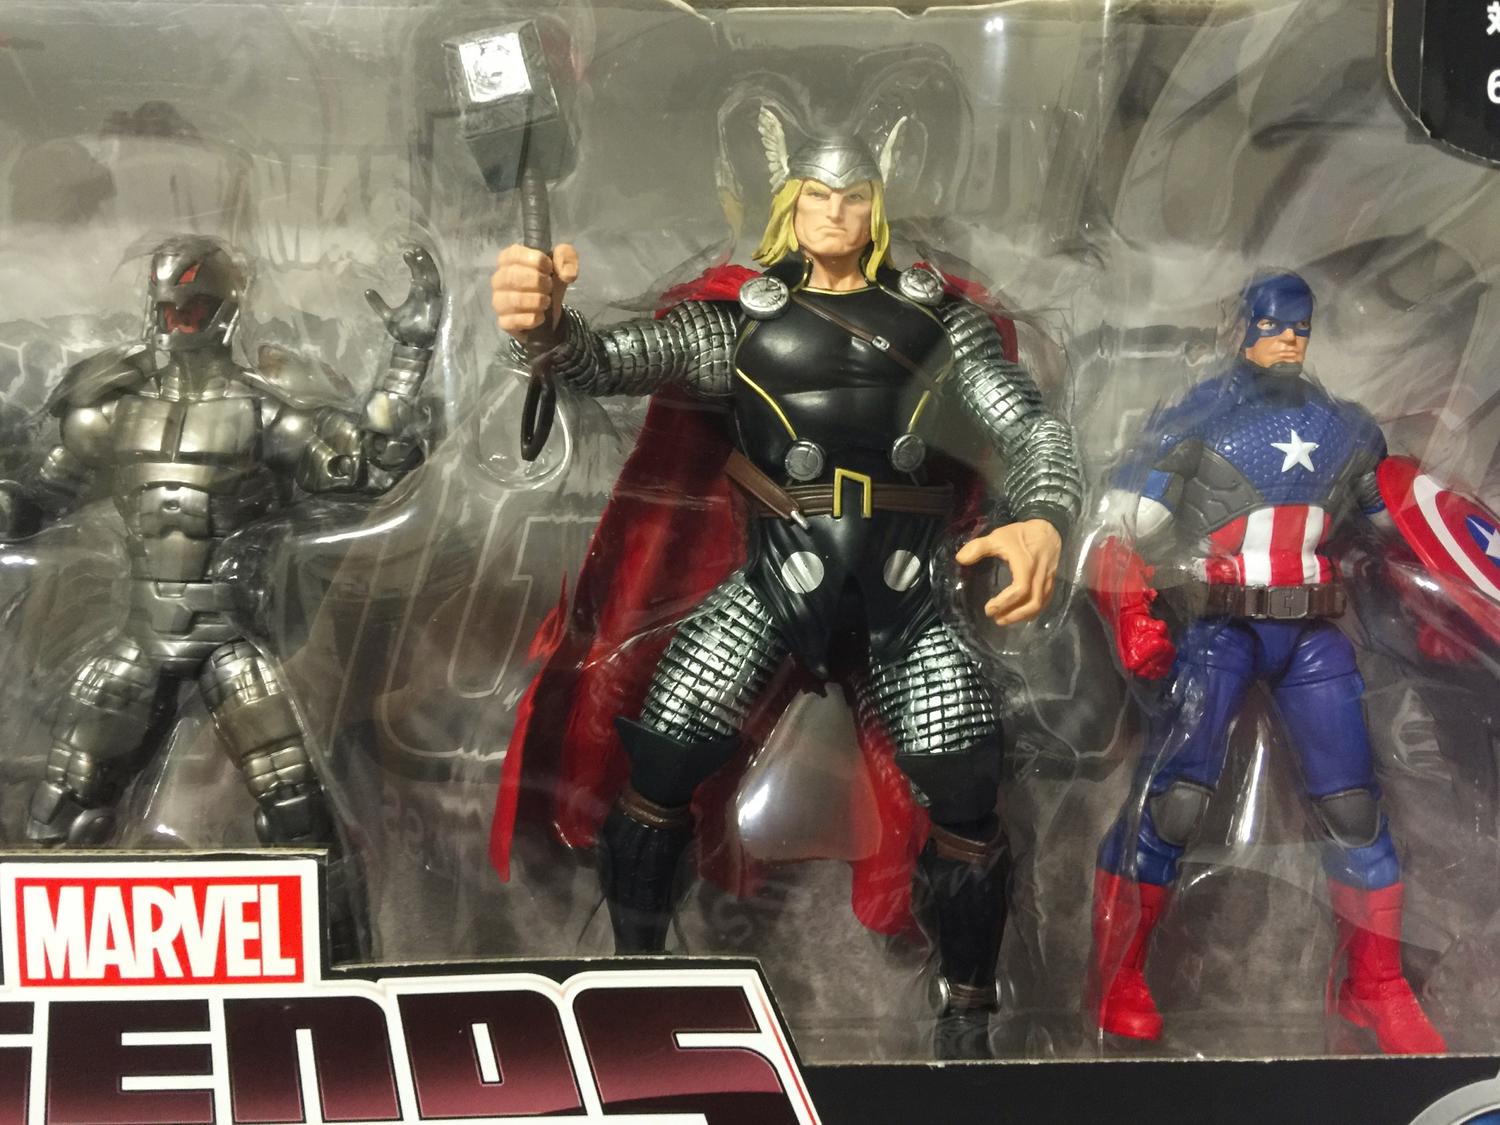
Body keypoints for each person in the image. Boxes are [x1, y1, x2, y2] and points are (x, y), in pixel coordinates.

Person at [491, 124, 1083, 1056]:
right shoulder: (739, 320)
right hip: (774, 578)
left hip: (903, 590)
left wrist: (1044, 515)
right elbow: (605, 363)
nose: (834, 214)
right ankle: (634, 981)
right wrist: (546, 324)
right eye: (816, 196)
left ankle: (968, 1018)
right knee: (663, 755)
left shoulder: (939, 320)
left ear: (877, 208)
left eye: (853, 198)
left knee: (967, 788)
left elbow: (1031, 426)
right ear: (788, 204)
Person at [2, 236, 442, 958]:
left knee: (299, 818)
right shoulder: (110, 414)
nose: (180, 318)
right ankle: (32, 971)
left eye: (195, 305)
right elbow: (35, 500)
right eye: (170, 305)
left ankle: (340, 967)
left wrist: (408, 356)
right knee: (62, 813)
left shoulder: (265, 415)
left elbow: (368, 468)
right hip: (140, 639)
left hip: (229, 642)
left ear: (227, 312)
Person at [1088, 270, 1446, 1054]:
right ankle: (1117, 975)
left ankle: (1375, 984)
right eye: (1273, 325)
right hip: (1215, 627)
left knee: (1354, 809)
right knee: (1173, 803)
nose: (1288, 339)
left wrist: (1437, 606)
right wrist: (1131, 613)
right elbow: (1116, 534)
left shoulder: (1348, 428)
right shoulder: (1195, 419)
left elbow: (1402, 531)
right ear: (1243, 326)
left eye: (1299, 327)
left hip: (1312, 630)